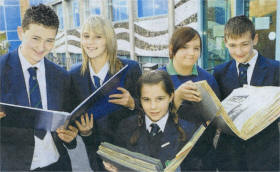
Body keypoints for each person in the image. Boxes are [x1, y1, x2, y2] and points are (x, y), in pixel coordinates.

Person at [0, 4, 77, 171]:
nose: (42, 47)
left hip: (58, 165)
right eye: (35, 38)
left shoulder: (62, 76)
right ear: (21, 33)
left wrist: (71, 136)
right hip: (15, 167)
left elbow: (69, 121)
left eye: (49, 40)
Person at [69, 15, 142, 171]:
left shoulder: (130, 69)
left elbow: (151, 108)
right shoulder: (74, 75)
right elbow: (73, 117)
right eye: (86, 36)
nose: (90, 42)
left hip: (128, 153)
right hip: (97, 156)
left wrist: (132, 103)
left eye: (98, 37)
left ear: (108, 40)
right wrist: (85, 132)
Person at [213, 15, 280, 171]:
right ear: (225, 43)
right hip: (229, 153)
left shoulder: (275, 69)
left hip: (265, 152)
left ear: (255, 39)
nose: (239, 51)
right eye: (232, 45)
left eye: (244, 44)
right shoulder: (219, 72)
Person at [104, 70, 198, 171]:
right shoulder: (126, 126)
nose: (153, 107)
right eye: (146, 99)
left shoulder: (188, 131)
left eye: (160, 99)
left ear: (171, 97)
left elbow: (195, 167)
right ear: (139, 99)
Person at [159, 26, 220, 170]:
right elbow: (148, 117)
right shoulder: (158, 78)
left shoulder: (207, 79)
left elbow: (216, 116)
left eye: (196, 48)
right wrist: (177, 98)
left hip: (202, 154)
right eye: (185, 47)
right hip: (167, 154)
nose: (191, 53)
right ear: (172, 49)